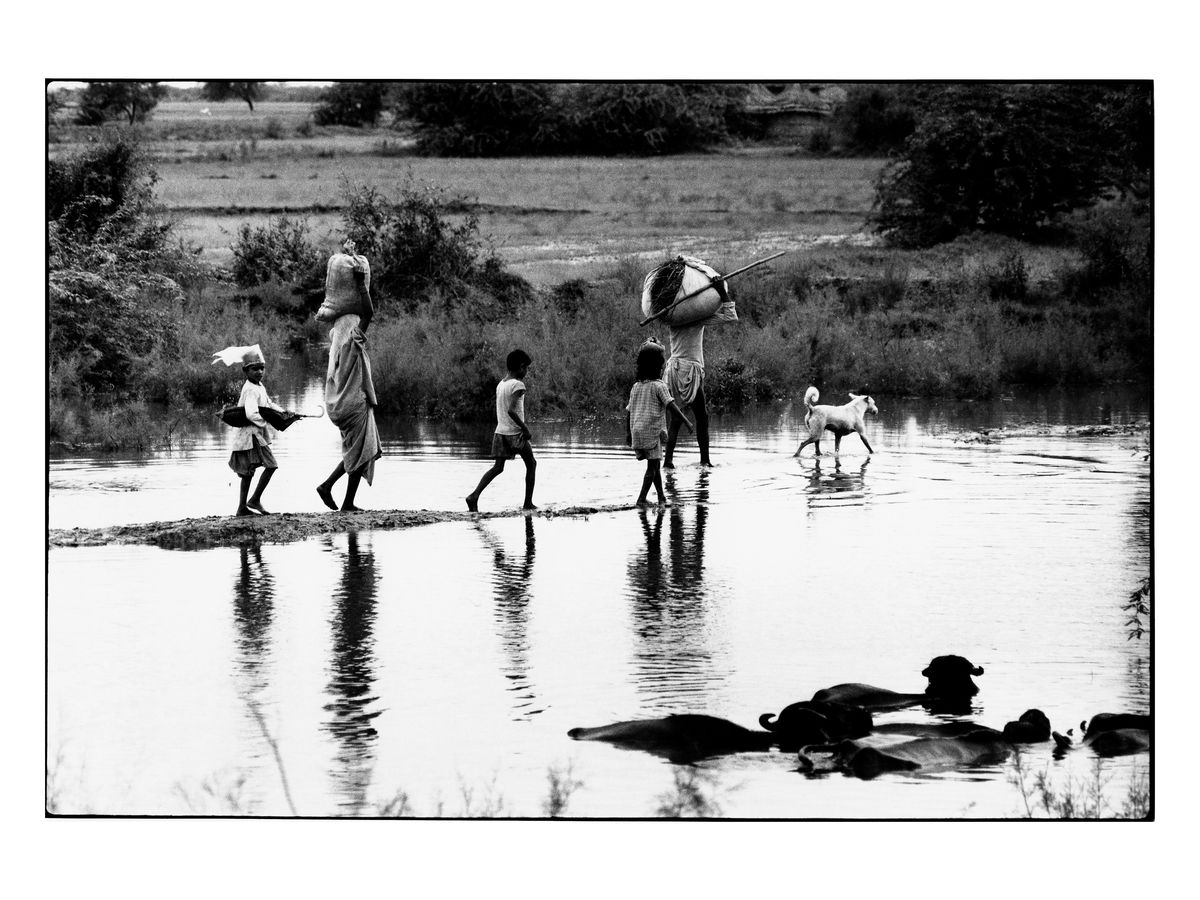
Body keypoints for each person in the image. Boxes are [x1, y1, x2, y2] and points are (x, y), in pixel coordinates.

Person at [316, 239, 382, 512]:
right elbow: (369, 312)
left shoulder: (336, 341)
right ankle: (340, 497)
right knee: (363, 450)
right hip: (354, 404)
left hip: (339, 406)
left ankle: (336, 493)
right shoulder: (352, 341)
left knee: (359, 449)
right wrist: (360, 282)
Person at [466, 349, 537, 512]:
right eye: (526, 368)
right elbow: (511, 411)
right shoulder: (518, 385)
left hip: (500, 433)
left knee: (498, 467)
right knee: (531, 464)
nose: (526, 372)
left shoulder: (501, 384)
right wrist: (525, 428)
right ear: (521, 367)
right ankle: (528, 504)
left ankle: (474, 496)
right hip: (515, 434)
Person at [219, 345, 283, 517]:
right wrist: (267, 421)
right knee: (271, 465)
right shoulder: (250, 389)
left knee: (248, 472)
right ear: (245, 371)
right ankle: (254, 500)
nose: (259, 372)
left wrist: (284, 413)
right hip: (251, 435)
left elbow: (269, 404)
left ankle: (242, 508)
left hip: (253, 435)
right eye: (255, 369)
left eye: (262, 368)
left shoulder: (259, 386)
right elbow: (251, 414)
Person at [626, 341, 693, 506]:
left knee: (655, 465)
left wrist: (628, 433)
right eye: (661, 363)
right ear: (656, 366)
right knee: (652, 467)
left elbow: (628, 412)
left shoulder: (636, 386)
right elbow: (672, 406)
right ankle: (641, 499)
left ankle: (661, 497)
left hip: (637, 431)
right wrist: (687, 422)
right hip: (651, 432)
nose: (663, 366)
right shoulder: (659, 386)